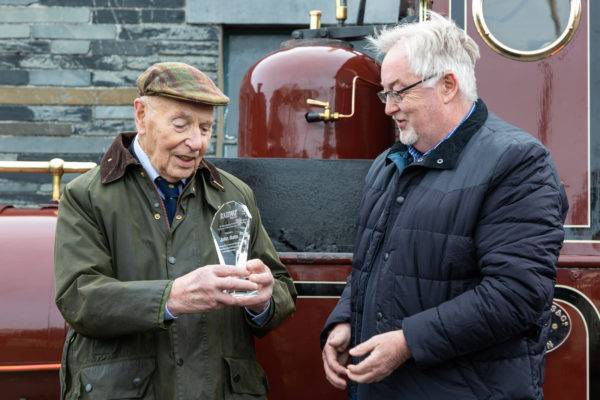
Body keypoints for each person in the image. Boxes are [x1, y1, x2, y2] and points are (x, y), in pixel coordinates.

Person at [321, 12, 568, 400]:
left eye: (400, 91)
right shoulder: (388, 165)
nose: (389, 107)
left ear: (448, 85)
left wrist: (407, 342)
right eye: (386, 93)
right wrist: (345, 319)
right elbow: (371, 264)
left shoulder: (519, 163)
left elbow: (517, 294)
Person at [54, 62, 296, 400]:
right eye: (181, 125)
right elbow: (79, 297)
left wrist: (264, 300)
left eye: (206, 128)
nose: (196, 142)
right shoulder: (86, 196)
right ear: (141, 115)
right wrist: (172, 297)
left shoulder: (236, 194)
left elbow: (281, 287)